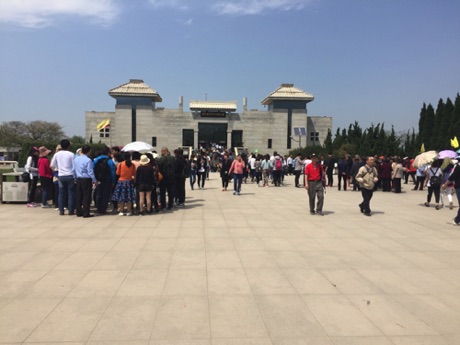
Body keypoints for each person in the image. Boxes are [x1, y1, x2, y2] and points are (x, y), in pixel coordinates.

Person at [50, 139, 76, 216]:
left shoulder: (57, 154)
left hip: (61, 175)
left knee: (61, 193)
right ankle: (70, 210)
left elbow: (52, 165)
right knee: (70, 193)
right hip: (70, 174)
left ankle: (61, 210)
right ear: (69, 146)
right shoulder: (71, 154)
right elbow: (74, 165)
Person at [74, 145, 96, 218]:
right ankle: (86, 212)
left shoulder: (76, 159)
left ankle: (78, 211)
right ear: (89, 151)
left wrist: (75, 178)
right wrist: (94, 180)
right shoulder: (88, 160)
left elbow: (73, 169)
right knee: (86, 196)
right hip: (86, 179)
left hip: (79, 178)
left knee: (79, 196)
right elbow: (90, 171)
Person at [93, 146, 117, 215]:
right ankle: (103, 209)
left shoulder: (96, 160)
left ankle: (98, 208)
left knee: (98, 194)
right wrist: (113, 181)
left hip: (98, 179)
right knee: (106, 195)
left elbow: (93, 169)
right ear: (108, 153)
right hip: (107, 179)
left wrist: (95, 179)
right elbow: (113, 172)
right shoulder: (109, 161)